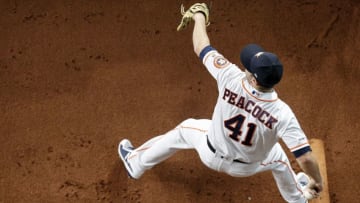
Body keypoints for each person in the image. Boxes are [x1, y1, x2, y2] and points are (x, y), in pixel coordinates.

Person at [118, 10, 323, 203]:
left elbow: (201, 46)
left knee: (184, 130)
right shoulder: (282, 113)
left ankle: (135, 163)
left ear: (252, 79)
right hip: (247, 168)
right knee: (278, 158)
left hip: (209, 151)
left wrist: (199, 16)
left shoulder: (230, 76)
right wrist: (317, 182)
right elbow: (304, 157)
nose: (245, 66)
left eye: (248, 67)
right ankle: (297, 199)